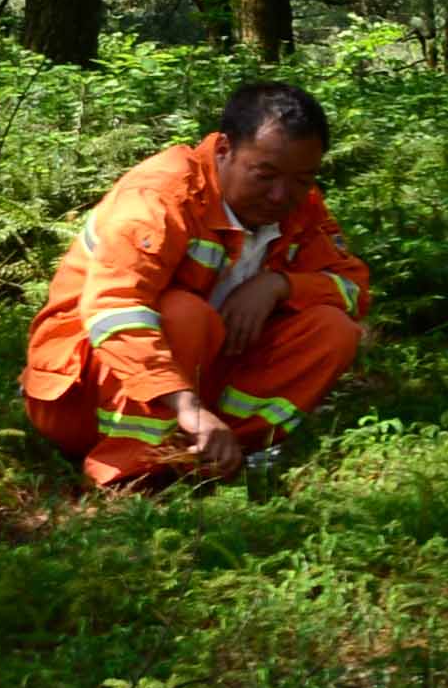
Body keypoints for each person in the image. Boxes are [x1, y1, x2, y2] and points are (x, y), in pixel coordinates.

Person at [22, 80, 376, 491]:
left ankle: (220, 455)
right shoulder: (160, 197)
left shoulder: (301, 207)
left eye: (302, 179)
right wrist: (187, 405)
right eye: (265, 174)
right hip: (80, 398)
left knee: (332, 330)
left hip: (193, 391)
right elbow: (114, 308)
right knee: (183, 314)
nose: (282, 195)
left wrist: (279, 286)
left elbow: (352, 288)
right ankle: (129, 474)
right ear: (224, 150)